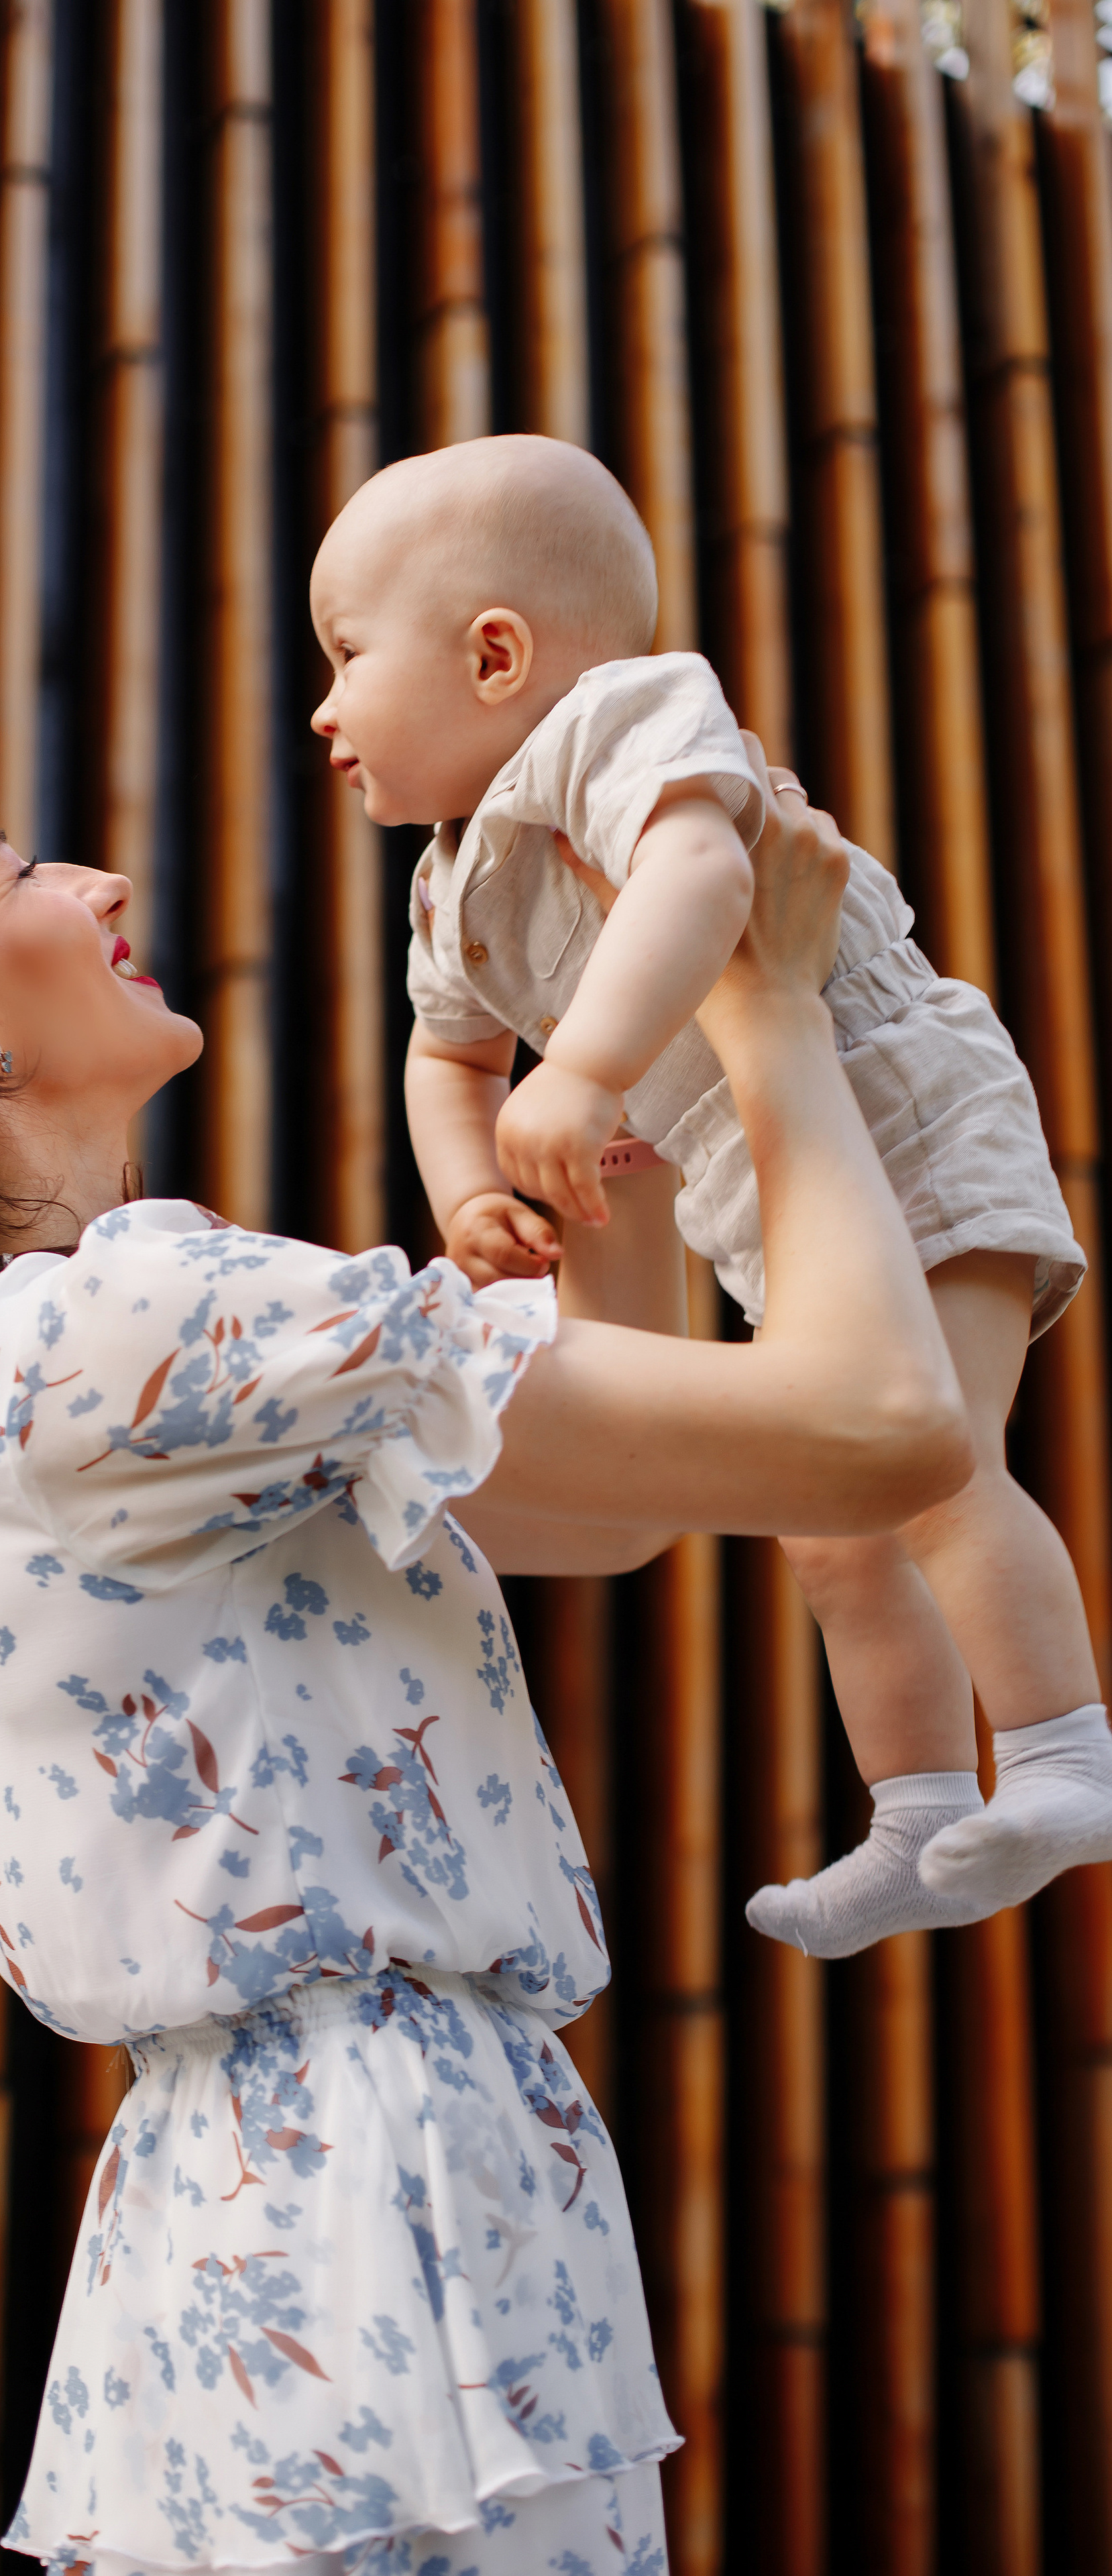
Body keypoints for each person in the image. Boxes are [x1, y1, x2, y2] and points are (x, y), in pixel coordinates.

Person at [0, 763, 965, 2576]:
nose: (104, 876)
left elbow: (602, 1517)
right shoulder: (137, 1321)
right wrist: (766, 1007)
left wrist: (620, 1114)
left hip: (262, 2195)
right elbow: (882, 1430)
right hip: (380, 2195)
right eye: (19, 866)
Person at [310, 431, 1112, 1961]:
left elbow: (702, 880)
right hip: (772, 1177)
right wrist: (474, 1196)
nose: (323, 706)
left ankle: (1064, 1754)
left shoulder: (622, 716)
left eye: (347, 655)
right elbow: (443, 1063)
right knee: (826, 1523)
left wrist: (587, 1069)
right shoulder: (444, 878)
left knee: (932, 1462)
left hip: (896, 1108)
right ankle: (923, 1809)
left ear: (495, 656)